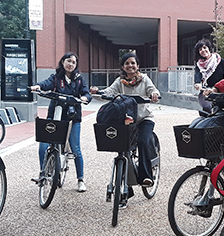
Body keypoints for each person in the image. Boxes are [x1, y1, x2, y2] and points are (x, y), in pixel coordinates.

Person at [91, 52, 160, 187]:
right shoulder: (119, 82)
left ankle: (146, 176)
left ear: (138, 66)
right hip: (127, 120)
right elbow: (107, 93)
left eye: (133, 63)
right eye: (127, 63)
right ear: (123, 67)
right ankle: (125, 190)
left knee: (143, 141)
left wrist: (154, 94)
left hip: (144, 118)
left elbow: (153, 90)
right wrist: (96, 92)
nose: (130, 66)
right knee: (122, 149)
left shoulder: (145, 79)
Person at [30, 52, 92, 192]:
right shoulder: (56, 78)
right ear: (63, 62)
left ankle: (80, 179)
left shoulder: (79, 80)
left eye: (73, 62)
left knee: (76, 149)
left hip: (72, 117)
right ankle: (43, 173)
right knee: (43, 144)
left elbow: (86, 93)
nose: (70, 64)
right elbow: (46, 84)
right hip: (55, 116)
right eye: (68, 61)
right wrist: (38, 87)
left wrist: (84, 98)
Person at [193, 38, 224, 113]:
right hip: (206, 90)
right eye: (200, 49)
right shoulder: (199, 64)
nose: (203, 50)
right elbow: (197, 75)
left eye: (205, 47)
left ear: (209, 48)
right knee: (206, 107)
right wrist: (197, 83)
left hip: (220, 90)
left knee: (223, 110)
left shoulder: (219, 60)